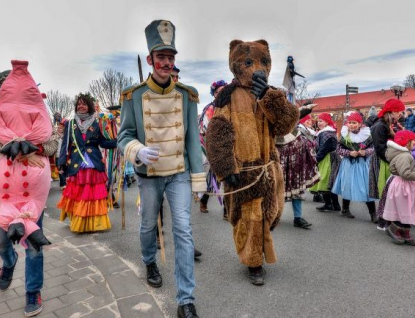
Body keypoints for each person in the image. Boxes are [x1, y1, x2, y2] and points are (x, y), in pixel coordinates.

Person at [117, 20, 205, 318]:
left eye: (170, 57)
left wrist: (198, 179)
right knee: (147, 226)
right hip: (149, 175)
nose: (167, 62)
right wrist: (137, 149)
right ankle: (149, 259)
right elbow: (123, 136)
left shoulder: (188, 95)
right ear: (150, 60)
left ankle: (185, 300)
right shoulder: (134, 96)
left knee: (183, 230)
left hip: (178, 172)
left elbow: (193, 138)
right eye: (161, 57)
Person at [206, 39, 299, 286]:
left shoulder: (271, 94)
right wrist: (226, 168)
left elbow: (285, 124)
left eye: (263, 62)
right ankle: (254, 263)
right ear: (237, 64)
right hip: (243, 170)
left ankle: (257, 254)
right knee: (249, 219)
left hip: (269, 169)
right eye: (249, 62)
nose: (257, 68)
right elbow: (217, 133)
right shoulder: (228, 97)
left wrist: (268, 97)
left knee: (269, 216)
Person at [0, 60, 55, 317]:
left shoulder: (40, 110)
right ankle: (9, 263)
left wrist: (35, 148)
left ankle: (33, 290)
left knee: (33, 244)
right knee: (1, 241)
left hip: (33, 192)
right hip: (3, 190)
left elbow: (54, 142)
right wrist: (7, 146)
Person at [57, 93, 116, 233]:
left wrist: (116, 140)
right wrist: (61, 162)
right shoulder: (71, 124)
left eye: (83, 104)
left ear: (89, 106)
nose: (81, 106)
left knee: (92, 194)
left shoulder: (98, 123)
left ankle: (94, 223)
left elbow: (102, 142)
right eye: (78, 104)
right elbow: (65, 145)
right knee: (78, 194)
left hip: (93, 163)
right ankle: (79, 221)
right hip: (77, 163)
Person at [276, 109, 319, 229]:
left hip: (295, 168)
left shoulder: (297, 133)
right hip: (279, 168)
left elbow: (309, 146)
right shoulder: (272, 135)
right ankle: (274, 216)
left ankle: (298, 218)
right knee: (276, 193)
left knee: (297, 192)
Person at [331, 112, 377, 222]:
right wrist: (348, 153)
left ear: (360, 124)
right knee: (348, 185)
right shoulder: (345, 134)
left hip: (362, 164)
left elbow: (373, 148)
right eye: (350, 123)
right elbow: (338, 149)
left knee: (366, 186)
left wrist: (365, 152)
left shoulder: (367, 134)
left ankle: (373, 213)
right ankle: (345, 209)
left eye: (354, 123)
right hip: (349, 164)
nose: (351, 125)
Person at [369, 99, 405, 230]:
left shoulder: (390, 124)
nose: (401, 114)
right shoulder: (380, 126)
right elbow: (380, 148)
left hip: (390, 159)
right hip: (384, 161)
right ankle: (384, 221)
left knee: (392, 192)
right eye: (399, 111)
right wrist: (394, 161)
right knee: (388, 192)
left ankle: (391, 220)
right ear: (392, 112)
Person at [198, 80, 227, 215]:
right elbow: (205, 127)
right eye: (218, 92)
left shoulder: (231, 106)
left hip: (228, 146)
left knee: (228, 177)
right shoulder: (210, 109)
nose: (220, 94)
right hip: (212, 145)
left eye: (223, 91)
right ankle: (204, 200)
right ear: (214, 94)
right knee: (211, 177)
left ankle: (227, 209)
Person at [381, 130, 415, 245]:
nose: (414, 143)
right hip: (403, 185)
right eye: (412, 141)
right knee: (403, 208)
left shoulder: (404, 154)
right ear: (406, 143)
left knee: (405, 208)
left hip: (403, 184)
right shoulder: (404, 156)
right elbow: (405, 173)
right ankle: (395, 229)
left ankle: (404, 232)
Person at [309, 113, 341, 211]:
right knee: (328, 182)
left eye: (321, 121)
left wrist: (316, 158)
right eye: (318, 121)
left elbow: (325, 148)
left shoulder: (328, 133)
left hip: (328, 159)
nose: (319, 123)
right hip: (325, 158)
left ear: (327, 122)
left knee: (325, 181)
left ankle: (330, 204)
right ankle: (334, 205)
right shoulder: (324, 132)